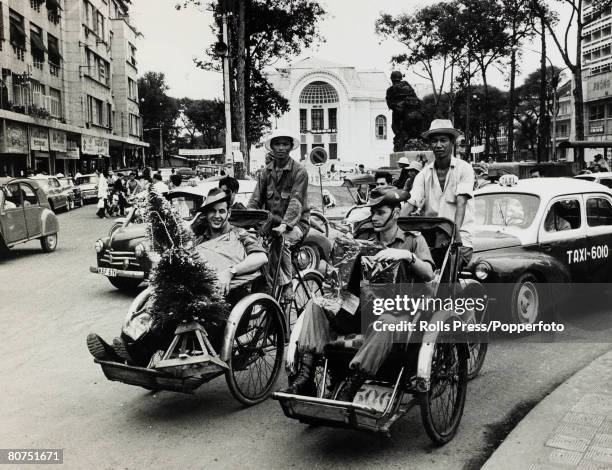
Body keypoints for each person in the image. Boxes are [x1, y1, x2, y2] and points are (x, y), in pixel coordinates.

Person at [86, 187, 269, 366]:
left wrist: (230, 272)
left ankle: (135, 354)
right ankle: (124, 349)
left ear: (228, 213)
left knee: (176, 316)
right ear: (206, 214)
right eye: (212, 211)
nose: (217, 216)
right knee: (156, 309)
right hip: (193, 291)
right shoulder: (199, 239)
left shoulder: (239, 234)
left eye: (222, 211)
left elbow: (261, 257)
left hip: (226, 299)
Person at [285, 186, 435, 399]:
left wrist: (405, 256)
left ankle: (352, 383)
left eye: (380, 212)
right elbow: (341, 274)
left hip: (397, 312)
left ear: (396, 213)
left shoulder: (413, 240)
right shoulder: (363, 237)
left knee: (388, 320)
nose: (374, 217)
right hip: (360, 307)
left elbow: (429, 274)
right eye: (372, 212)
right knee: (316, 305)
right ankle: (306, 374)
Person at [401, 119, 475, 268]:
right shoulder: (423, 174)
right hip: (432, 239)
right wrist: (398, 225)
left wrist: (455, 235)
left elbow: (461, 203)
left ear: (452, 142)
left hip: (460, 239)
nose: (438, 145)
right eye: (434, 141)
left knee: (447, 275)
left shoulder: (464, 168)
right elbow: (411, 202)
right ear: (430, 144)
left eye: (443, 140)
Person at [247, 128, 310, 302]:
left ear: (290, 147)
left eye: (285, 144)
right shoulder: (265, 173)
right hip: (271, 225)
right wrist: (245, 218)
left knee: (281, 241)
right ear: (272, 147)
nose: (281, 148)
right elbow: (255, 200)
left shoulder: (300, 171)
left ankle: (287, 283)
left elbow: (296, 201)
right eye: (277, 144)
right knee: (253, 246)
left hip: (297, 224)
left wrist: (285, 224)